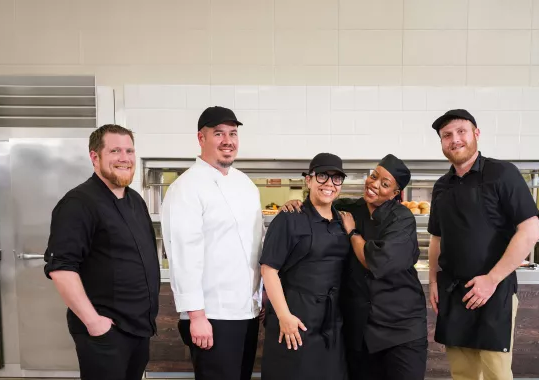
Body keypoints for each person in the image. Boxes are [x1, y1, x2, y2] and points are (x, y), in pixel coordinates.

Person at [283, 154, 428, 380]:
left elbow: (375, 261)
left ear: (395, 193)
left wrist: (352, 233)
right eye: (374, 176)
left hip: (401, 329)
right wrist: (299, 204)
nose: (374, 184)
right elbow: (318, 205)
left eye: (385, 184)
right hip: (360, 330)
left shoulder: (402, 218)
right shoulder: (348, 208)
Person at [427, 109, 539, 380]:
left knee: (496, 375)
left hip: (494, 291)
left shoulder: (502, 173)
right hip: (454, 293)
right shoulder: (442, 186)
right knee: (462, 374)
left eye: (461, 132)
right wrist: (433, 282)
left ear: (476, 134)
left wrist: (491, 280)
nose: (455, 139)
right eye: (447, 135)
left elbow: (529, 230)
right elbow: (437, 238)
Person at [44, 124, 160, 380]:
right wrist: (94, 323)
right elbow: (61, 269)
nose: (124, 158)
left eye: (129, 151)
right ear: (94, 157)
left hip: (138, 329)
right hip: (106, 332)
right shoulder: (78, 203)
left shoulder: (135, 200)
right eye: (115, 150)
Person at [161, 106, 263, 380]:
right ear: (201, 138)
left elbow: (255, 247)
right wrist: (196, 316)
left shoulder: (246, 185)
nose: (227, 140)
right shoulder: (186, 187)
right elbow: (183, 255)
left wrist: (260, 296)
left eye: (232, 133)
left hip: (247, 311)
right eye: (218, 133)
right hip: (212, 315)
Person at [260, 153, 350, 380]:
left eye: (336, 178)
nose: (329, 184)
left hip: (331, 323)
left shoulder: (344, 220)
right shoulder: (290, 218)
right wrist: (284, 316)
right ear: (308, 180)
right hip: (295, 320)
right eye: (322, 176)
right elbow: (269, 270)